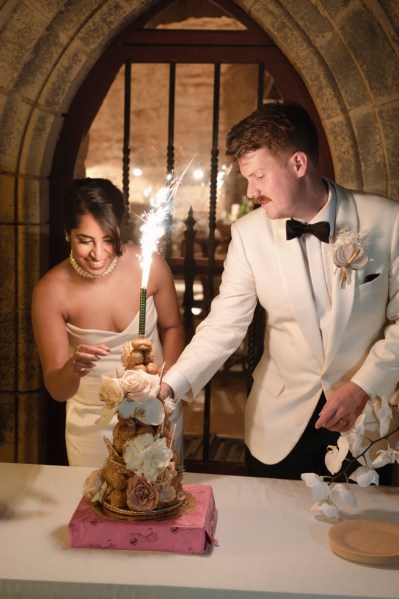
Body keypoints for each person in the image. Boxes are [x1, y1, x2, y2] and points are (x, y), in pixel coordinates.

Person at [160, 100, 399, 482]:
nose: (251, 191)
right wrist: (169, 386)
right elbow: (224, 324)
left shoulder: (387, 221)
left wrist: (362, 386)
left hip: (365, 424)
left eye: (258, 177)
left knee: (358, 536)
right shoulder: (248, 234)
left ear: (298, 164)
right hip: (279, 426)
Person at [32, 178, 185, 467]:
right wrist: (72, 368)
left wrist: (167, 389)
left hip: (155, 412)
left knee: (160, 501)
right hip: (92, 426)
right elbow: (57, 389)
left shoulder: (149, 266)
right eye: (85, 240)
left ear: (119, 229)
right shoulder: (50, 292)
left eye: (108, 239)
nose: (98, 253)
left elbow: (173, 327)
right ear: (68, 233)